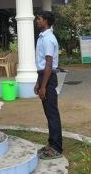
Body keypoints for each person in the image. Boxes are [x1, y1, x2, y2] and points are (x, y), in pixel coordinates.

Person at [34, 10, 63, 160]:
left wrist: (44, 86)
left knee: (52, 113)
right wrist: (38, 82)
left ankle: (56, 147)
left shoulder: (48, 38)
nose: (37, 20)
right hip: (44, 76)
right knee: (49, 113)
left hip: (48, 77)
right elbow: (42, 64)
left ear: (45, 21)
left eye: (39, 18)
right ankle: (51, 144)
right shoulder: (42, 37)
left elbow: (49, 63)